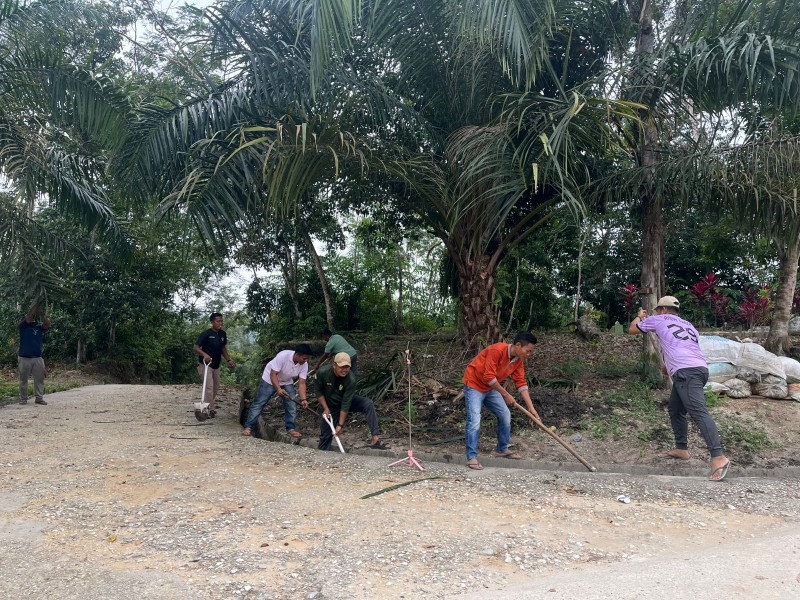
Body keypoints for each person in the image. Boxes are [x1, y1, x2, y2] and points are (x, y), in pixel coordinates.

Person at [628, 295, 731, 481]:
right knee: (675, 409)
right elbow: (682, 347)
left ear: (663, 310)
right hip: (699, 369)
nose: (657, 313)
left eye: (658, 310)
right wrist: (668, 366)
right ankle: (681, 448)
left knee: (699, 412)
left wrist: (639, 316)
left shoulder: (659, 319)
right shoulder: (689, 326)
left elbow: (632, 329)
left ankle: (718, 457)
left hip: (687, 373)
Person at [462, 332, 540, 470]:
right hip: (474, 385)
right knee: (474, 420)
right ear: (518, 345)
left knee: (505, 415)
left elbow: (521, 383)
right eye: (528, 351)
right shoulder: (497, 350)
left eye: (531, 352)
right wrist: (506, 394)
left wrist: (531, 408)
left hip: (490, 387)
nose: (529, 354)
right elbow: (488, 376)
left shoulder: (518, 360)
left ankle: (502, 449)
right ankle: (471, 457)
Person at [316, 352, 388, 451]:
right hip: (331, 405)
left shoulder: (351, 379)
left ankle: (375, 438)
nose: (345, 370)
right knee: (325, 438)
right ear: (334, 365)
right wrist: (325, 408)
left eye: (347, 367)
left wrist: (340, 425)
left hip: (345, 402)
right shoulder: (323, 372)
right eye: (342, 367)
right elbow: (318, 391)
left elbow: (346, 403)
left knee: (367, 403)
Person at [242, 344, 313, 437]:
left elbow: (302, 383)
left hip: (286, 381)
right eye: (304, 358)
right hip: (269, 379)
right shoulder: (283, 356)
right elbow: (273, 374)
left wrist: (304, 399)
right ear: (297, 355)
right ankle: (248, 427)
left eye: (307, 358)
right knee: (259, 403)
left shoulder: (304, 365)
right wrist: (278, 389)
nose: (306, 360)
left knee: (291, 404)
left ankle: (290, 429)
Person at [193, 312, 235, 418]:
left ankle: (209, 406)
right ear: (212, 322)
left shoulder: (222, 334)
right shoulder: (206, 334)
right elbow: (196, 348)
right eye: (218, 321)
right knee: (209, 387)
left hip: (216, 364)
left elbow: (222, 348)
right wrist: (204, 355)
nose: (220, 323)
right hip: (205, 365)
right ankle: (210, 409)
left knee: (215, 387)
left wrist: (228, 359)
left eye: (221, 321)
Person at [18, 306, 51, 405]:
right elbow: (28, 318)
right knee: (23, 379)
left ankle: (39, 398)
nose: (31, 318)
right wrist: (35, 308)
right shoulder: (23, 326)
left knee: (40, 378)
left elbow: (47, 324)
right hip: (24, 357)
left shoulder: (38, 327)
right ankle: (23, 398)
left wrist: (42, 313)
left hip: (37, 357)